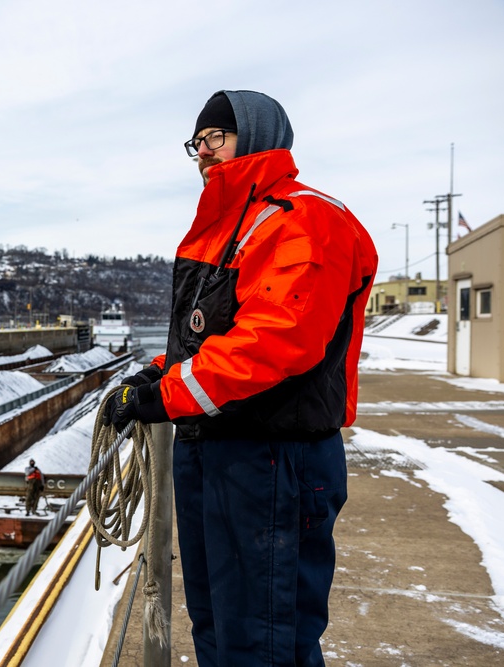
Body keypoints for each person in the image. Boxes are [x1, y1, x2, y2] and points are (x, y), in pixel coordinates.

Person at [104, 90, 378, 666]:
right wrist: (157, 373)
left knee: (264, 641)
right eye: (196, 143)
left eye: (216, 138)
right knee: (220, 632)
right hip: (219, 454)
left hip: (272, 459)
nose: (203, 152)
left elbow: (276, 340)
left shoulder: (304, 219)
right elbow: (211, 337)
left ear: (256, 135)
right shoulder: (229, 228)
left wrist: (165, 399)